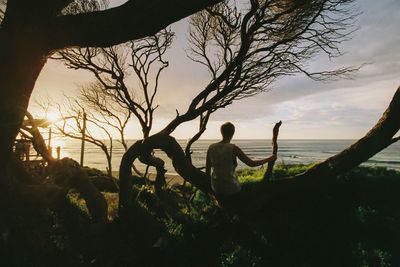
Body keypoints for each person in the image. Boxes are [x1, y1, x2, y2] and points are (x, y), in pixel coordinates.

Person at [206, 122, 276, 204]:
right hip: (231, 188)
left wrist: (210, 189)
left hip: (216, 187)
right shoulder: (234, 148)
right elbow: (251, 164)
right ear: (233, 133)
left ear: (221, 132)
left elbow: (207, 170)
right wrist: (269, 158)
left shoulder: (211, 147)